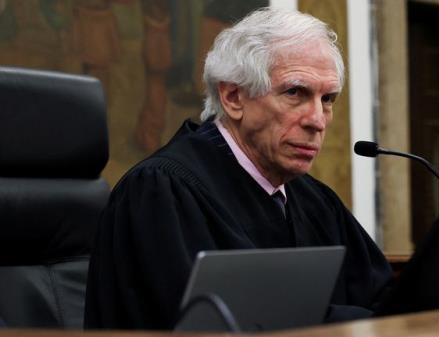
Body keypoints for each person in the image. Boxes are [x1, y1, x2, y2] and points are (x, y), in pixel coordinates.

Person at [84, 8, 393, 330]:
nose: (317, 120)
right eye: (294, 92)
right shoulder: (159, 192)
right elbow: (218, 324)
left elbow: (385, 297)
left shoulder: (314, 200)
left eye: (327, 99)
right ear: (233, 97)